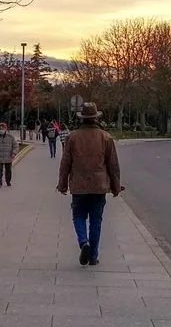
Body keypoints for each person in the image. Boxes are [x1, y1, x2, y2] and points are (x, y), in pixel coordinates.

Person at [56, 102, 122, 267]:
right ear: (96, 118)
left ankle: (83, 242)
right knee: (96, 221)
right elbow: (113, 165)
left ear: (82, 118)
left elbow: (65, 163)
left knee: (78, 216)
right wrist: (115, 186)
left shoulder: (73, 137)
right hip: (99, 186)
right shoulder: (106, 137)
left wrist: (62, 184)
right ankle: (93, 256)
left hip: (79, 185)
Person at [0, 122, 18, 188]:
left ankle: (8, 181)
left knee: (8, 170)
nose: (1, 129)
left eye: (3, 128)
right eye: (0, 128)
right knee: (0, 170)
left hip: (8, 157)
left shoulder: (10, 137)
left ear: (6, 128)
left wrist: (14, 153)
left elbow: (15, 146)